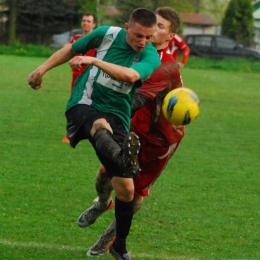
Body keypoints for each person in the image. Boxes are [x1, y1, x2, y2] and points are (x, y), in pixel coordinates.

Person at [28, 8, 160, 260]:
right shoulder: (106, 34)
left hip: (118, 116)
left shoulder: (151, 55)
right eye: (139, 35)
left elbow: (131, 75)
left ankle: (119, 245)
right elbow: (71, 49)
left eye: (149, 37)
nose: (143, 42)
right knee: (99, 126)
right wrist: (41, 69)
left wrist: (94, 61)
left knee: (126, 191)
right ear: (126, 27)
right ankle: (121, 158)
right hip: (85, 103)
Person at [83, 6, 185, 258]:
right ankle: (103, 203)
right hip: (133, 129)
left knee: (135, 194)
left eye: (160, 26)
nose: (153, 29)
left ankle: (108, 239)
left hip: (159, 141)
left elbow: (136, 100)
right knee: (106, 172)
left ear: (169, 36)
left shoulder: (166, 67)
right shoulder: (135, 51)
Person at [62, 12, 96, 143]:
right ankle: (71, 133)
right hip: (76, 77)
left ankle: (92, 131)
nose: (86, 23)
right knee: (74, 104)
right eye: (84, 20)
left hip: (91, 79)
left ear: (93, 24)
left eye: (89, 21)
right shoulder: (76, 38)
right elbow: (66, 50)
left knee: (93, 105)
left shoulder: (96, 40)